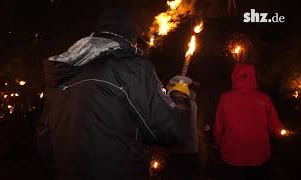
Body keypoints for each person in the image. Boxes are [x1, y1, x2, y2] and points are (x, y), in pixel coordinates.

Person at [36, 7, 194, 180]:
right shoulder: (130, 67)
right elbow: (171, 130)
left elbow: (44, 142)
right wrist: (179, 96)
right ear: (130, 36)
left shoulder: (61, 77)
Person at [213, 63, 287, 180]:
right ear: (254, 77)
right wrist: (282, 133)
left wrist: (218, 142)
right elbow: (274, 124)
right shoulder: (264, 98)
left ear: (234, 76)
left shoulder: (225, 98)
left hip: (232, 154)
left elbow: (219, 125)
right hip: (259, 154)